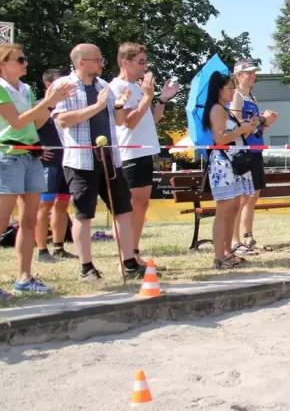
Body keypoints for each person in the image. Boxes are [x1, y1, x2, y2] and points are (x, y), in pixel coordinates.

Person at [53, 43, 146, 282]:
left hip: (110, 159)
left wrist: (117, 105)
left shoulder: (104, 86)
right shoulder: (64, 86)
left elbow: (117, 120)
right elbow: (63, 120)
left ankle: (129, 263)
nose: (102, 63)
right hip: (81, 160)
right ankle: (86, 268)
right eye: (97, 59)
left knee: (123, 210)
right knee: (84, 214)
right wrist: (95, 107)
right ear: (81, 63)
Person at [0, 45, 76, 294]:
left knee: (28, 222)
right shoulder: (1, 88)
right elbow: (17, 122)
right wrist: (48, 101)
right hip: (8, 157)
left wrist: (52, 105)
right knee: (1, 223)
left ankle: (24, 279)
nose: (25, 63)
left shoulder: (26, 89)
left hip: (32, 157)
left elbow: (38, 121)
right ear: (3, 63)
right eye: (19, 59)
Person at [109, 43, 180, 267]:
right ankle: (126, 257)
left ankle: (134, 252)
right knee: (128, 207)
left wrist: (162, 99)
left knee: (141, 205)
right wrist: (147, 97)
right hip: (128, 152)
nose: (145, 66)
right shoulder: (119, 87)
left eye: (145, 61)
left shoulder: (139, 87)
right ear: (125, 63)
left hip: (144, 151)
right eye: (140, 62)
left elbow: (152, 119)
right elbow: (129, 122)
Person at [203, 71, 259, 268]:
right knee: (224, 210)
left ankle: (228, 251)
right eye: (230, 88)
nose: (233, 91)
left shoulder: (225, 110)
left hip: (235, 162)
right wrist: (241, 130)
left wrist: (246, 127)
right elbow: (220, 140)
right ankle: (220, 256)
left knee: (234, 208)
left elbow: (231, 134)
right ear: (220, 90)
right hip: (224, 164)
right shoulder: (217, 110)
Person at [229, 60, 278, 254]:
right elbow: (238, 126)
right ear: (238, 76)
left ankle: (248, 238)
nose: (252, 76)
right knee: (241, 198)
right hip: (243, 152)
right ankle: (235, 241)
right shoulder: (237, 96)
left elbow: (257, 131)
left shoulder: (253, 98)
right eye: (248, 73)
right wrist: (261, 120)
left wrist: (268, 123)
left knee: (253, 197)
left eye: (253, 73)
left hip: (256, 151)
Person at [33, 69, 77, 263]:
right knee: (44, 205)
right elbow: (26, 130)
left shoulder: (66, 107)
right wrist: (38, 150)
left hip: (66, 160)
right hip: (46, 163)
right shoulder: (39, 107)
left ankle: (59, 247)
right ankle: (42, 250)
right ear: (50, 85)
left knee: (62, 204)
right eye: (62, 84)